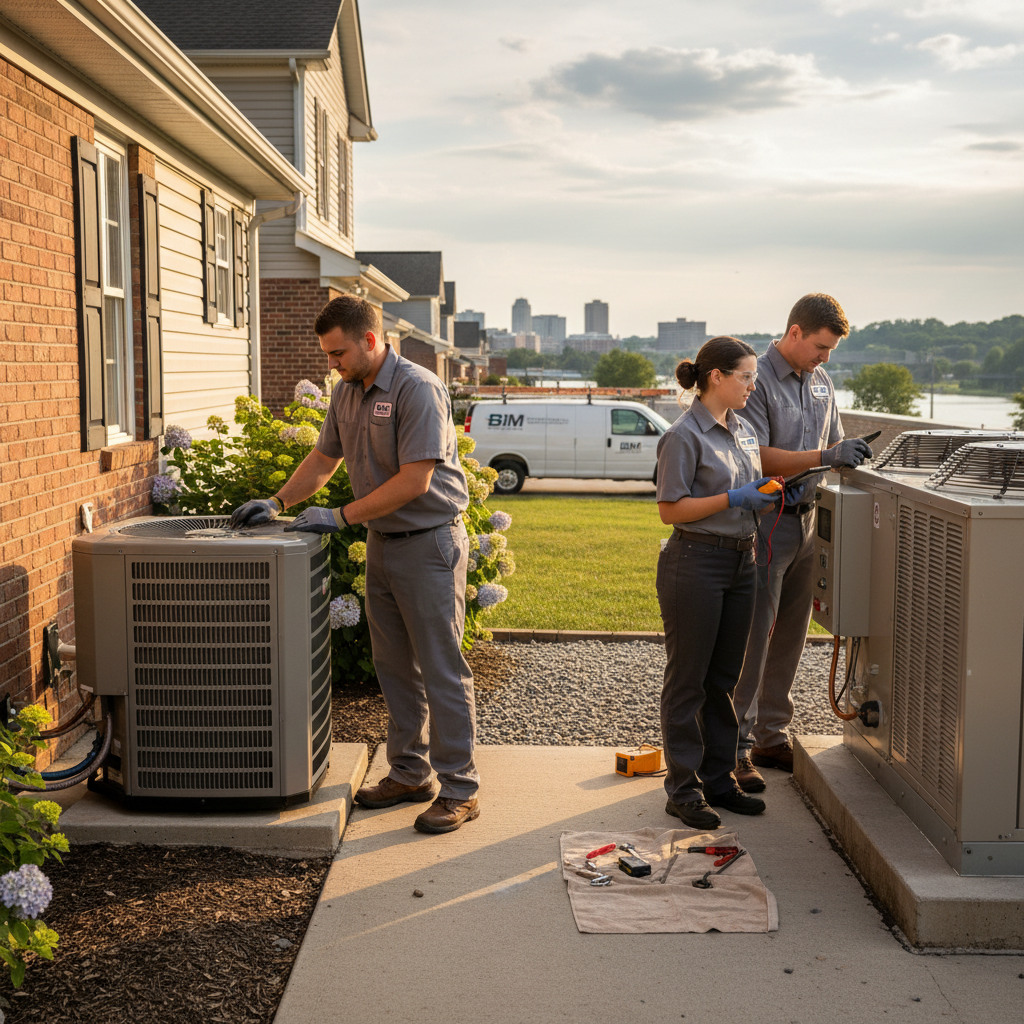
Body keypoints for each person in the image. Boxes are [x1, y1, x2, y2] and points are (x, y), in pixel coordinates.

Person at [230, 296, 480, 835]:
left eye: (338, 352)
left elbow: (417, 479)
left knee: (441, 668)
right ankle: (410, 773)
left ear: (370, 340)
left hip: (430, 543)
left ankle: (460, 790)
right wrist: (278, 502)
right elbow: (324, 458)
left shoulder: (418, 388)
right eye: (327, 354)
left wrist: (340, 515)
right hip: (384, 544)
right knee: (394, 668)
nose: (332, 364)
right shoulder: (346, 393)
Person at [731, 294, 873, 793]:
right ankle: (733, 748)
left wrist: (848, 454)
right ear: (794, 332)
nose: (825, 357)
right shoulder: (756, 380)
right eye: (819, 346)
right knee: (755, 636)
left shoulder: (822, 382)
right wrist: (824, 453)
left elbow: (832, 450)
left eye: (830, 350)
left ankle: (771, 735)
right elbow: (755, 458)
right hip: (769, 522)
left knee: (792, 633)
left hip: (810, 522)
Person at [656, 336, 782, 830]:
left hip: (741, 562)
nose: (754, 384)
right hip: (696, 562)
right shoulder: (683, 435)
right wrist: (734, 499)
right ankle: (683, 790)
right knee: (688, 680)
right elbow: (670, 510)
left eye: (754, 375)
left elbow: (747, 486)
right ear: (717, 377)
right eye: (746, 376)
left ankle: (719, 780)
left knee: (723, 680)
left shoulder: (745, 429)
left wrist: (764, 495)